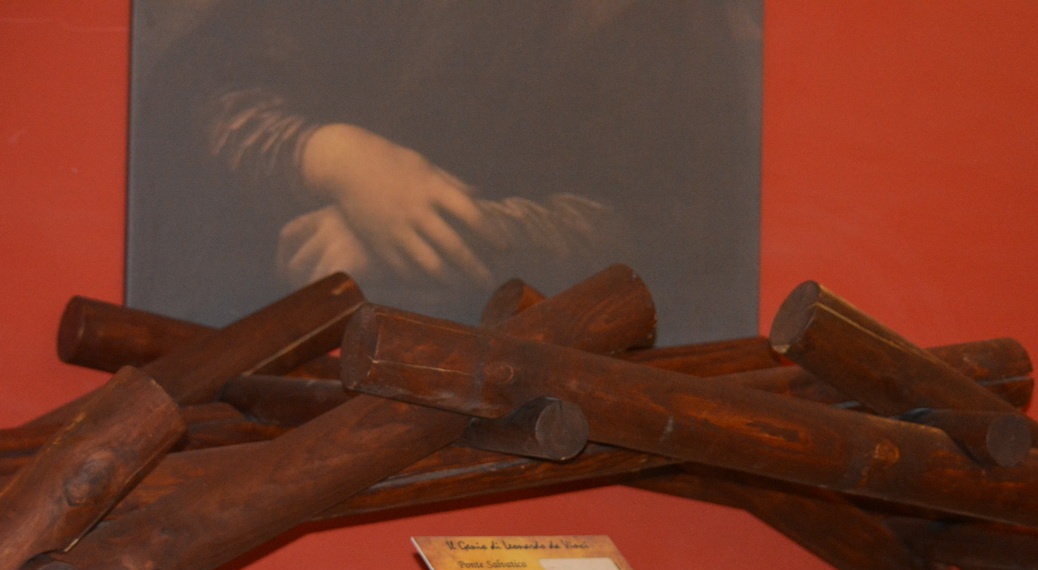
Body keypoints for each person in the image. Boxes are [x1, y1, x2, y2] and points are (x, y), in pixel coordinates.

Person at [127, 0, 762, 344]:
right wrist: (333, 157)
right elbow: (198, 92)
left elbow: (664, 226)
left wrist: (422, 236)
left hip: (513, 351)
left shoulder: (652, 21)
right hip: (272, 319)